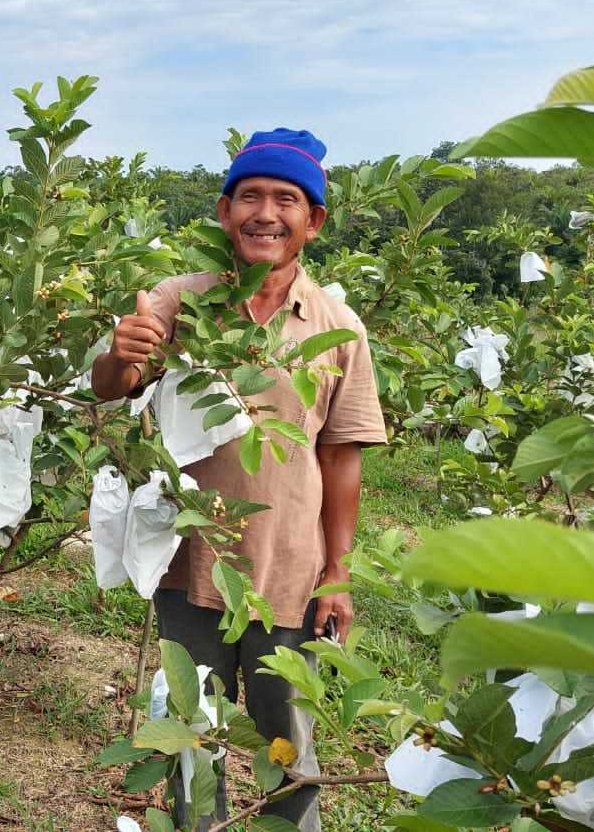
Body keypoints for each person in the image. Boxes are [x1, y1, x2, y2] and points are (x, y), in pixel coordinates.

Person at [90, 128, 387, 831]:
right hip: (190, 562)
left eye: (287, 199)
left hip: (288, 569)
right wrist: (120, 355)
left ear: (312, 221)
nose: (266, 212)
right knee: (196, 732)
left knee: (288, 742)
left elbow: (342, 454)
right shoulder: (178, 300)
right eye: (249, 195)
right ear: (224, 212)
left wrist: (339, 570)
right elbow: (112, 385)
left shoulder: (338, 328)